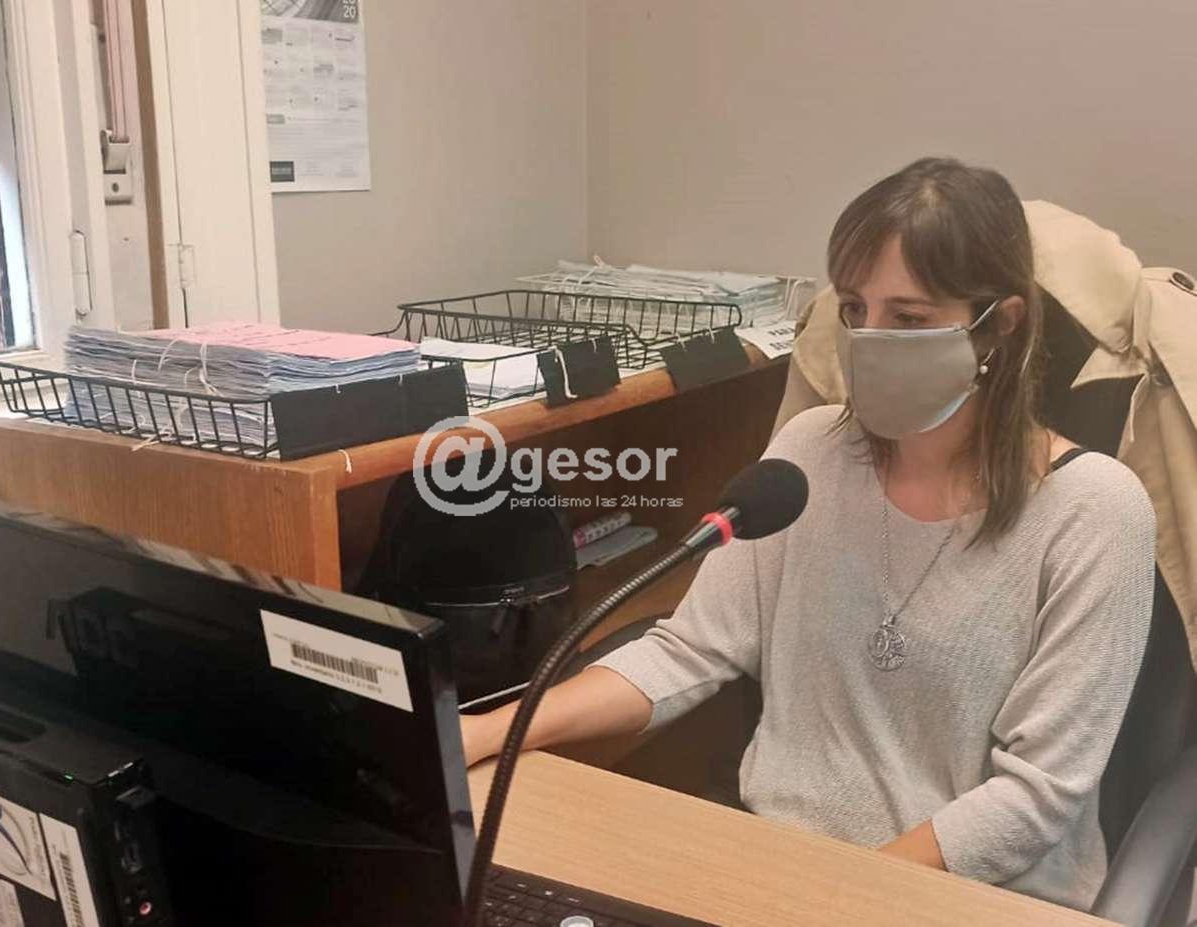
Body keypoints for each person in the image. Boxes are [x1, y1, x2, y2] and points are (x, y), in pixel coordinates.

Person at [459, 157, 1157, 910]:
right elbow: (689, 649)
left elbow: (1035, 796)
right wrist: (492, 731)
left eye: (909, 318)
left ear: (1000, 325)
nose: (869, 339)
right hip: (780, 863)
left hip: (975, 895)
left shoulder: (1094, 510)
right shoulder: (808, 453)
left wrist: (834, 897)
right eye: (855, 309)